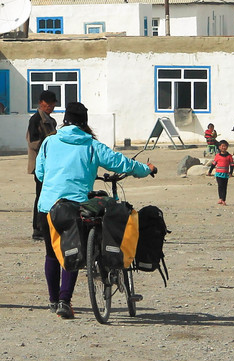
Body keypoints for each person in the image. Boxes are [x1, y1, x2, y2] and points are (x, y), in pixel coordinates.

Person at [35, 102, 154, 319]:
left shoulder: (49, 142)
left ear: (65, 120)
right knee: (72, 250)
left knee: (52, 254)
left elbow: (40, 173)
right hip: (73, 206)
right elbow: (120, 163)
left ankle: (53, 301)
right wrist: (146, 169)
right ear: (85, 122)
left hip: (47, 206)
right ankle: (64, 301)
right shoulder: (91, 144)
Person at [26, 90, 59, 240]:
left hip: (50, 164)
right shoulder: (35, 120)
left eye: (52, 106)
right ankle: (37, 228)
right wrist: (49, 143)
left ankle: (46, 226)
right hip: (40, 165)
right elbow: (33, 143)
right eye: (47, 106)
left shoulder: (50, 120)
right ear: (41, 103)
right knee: (40, 196)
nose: (50, 108)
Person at [207, 140, 234, 205]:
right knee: (220, 186)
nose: (224, 147)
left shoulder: (229, 156)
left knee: (224, 187)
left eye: (225, 146)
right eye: (222, 146)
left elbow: (232, 165)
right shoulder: (217, 156)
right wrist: (210, 171)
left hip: (225, 174)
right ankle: (220, 198)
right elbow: (213, 164)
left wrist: (231, 172)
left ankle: (224, 200)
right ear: (219, 147)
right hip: (218, 174)